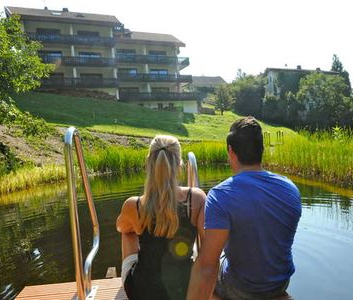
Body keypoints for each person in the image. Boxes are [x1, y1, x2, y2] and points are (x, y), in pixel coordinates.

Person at [187, 116, 301, 300]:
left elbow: (208, 267)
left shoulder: (220, 195)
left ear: (231, 151)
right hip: (280, 284)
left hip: (241, 290)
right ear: (261, 150)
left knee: (202, 258)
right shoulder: (290, 188)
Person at [116, 135, 206, 300]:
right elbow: (207, 246)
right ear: (180, 165)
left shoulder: (133, 205)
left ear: (148, 162)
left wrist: (140, 223)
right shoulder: (197, 198)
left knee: (128, 232)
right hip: (183, 291)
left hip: (141, 292)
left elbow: (120, 227)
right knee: (189, 245)